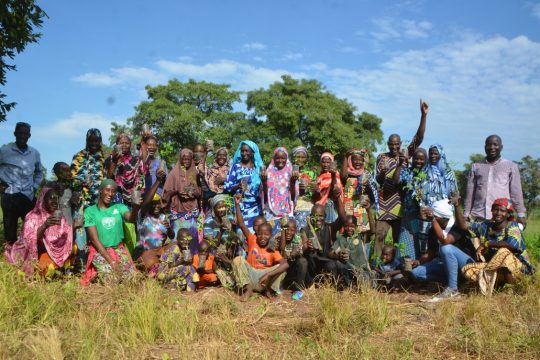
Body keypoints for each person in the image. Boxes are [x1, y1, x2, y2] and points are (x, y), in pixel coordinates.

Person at [374, 99, 428, 256]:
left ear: (400, 144)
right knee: (379, 237)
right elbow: (378, 180)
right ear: (388, 144)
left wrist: (423, 116)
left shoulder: (406, 154)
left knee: (400, 241)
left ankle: (397, 272)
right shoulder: (381, 157)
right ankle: (375, 270)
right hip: (384, 205)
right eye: (391, 144)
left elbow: (418, 138)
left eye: (396, 144)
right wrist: (383, 173)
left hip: (401, 205)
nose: (394, 147)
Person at [460, 198, 534, 295]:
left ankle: (511, 288)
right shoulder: (486, 225)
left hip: (518, 269)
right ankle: (496, 285)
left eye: (502, 210)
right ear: (491, 211)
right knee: (467, 270)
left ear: (508, 213)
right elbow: (463, 226)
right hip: (495, 268)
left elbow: (512, 245)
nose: (498, 213)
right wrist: (457, 206)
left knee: (503, 252)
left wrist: (486, 244)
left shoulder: (512, 226)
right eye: (495, 209)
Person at [80, 179, 140, 285]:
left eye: (113, 191)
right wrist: (111, 261)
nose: (110, 194)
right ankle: (97, 275)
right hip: (100, 251)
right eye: (107, 190)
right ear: (100, 190)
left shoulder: (119, 207)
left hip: (119, 250)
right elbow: (94, 240)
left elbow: (131, 219)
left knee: (132, 279)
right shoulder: (90, 211)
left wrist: (135, 207)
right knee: (112, 280)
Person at [5, 186, 74, 277]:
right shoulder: (33, 216)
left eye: (57, 199)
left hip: (49, 252)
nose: (54, 202)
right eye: (51, 198)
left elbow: (66, 237)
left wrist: (75, 226)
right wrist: (45, 226)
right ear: (43, 200)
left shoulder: (59, 216)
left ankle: (59, 268)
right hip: (30, 253)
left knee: (74, 248)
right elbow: (29, 241)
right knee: (43, 267)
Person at [233, 194, 289, 301]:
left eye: (266, 234)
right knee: (238, 260)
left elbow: (285, 264)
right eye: (260, 234)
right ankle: (248, 289)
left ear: (270, 235)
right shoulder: (252, 239)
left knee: (282, 269)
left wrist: (268, 274)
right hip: (251, 275)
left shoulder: (272, 248)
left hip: (264, 279)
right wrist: (237, 205)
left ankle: (268, 290)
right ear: (256, 234)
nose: (263, 237)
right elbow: (241, 224)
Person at [464, 135, 527, 227]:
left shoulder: (511, 166)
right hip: (478, 217)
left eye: (495, 144)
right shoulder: (476, 166)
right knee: (476, 241)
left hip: (501, 218)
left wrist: (521, 214)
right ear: (485, 147)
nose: (492, 147)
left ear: (501, 147)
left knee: (499, 241)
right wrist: (465, 214)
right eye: (489, 145)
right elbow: (470, 194)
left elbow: (516, 193)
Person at [421, 197, 475, 302]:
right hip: (447, 266)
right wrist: (418, 261)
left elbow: (445, 241)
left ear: (442, 217)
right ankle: (453, 281)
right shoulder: (433, 230)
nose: (433, 218)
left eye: (435, 216)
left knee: (446, 249)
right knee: (417, 272)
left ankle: (453, 289)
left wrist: (432, 219)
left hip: (467, 265)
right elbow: (430, 253)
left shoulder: (456, 226)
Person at [0, 122, 44, 245]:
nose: (23, 135)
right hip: (10, 195)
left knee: (32, 227)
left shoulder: (34, 153)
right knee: (10, 229)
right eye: (20, 132)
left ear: (29, 135)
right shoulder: (5, 150)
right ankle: (11, 258)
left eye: (25, 133)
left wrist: (35, 187)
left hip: (28, 195)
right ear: (15, 133)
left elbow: (39, 172)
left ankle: (28, 254)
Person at [302, 185, 346, 283]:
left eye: (321, 216)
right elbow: (303, 247)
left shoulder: (329, 228)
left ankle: (328, 287)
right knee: (307, 259)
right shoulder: (305, 230)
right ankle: (310, 285)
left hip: (326, 262)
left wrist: (337, 198)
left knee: (331, 265)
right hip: (312, 265)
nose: (318, 219)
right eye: (315, 216)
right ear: (310, 217)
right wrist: (307, 247)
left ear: (325, 216)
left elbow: (343, 219)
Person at [162, 148, 203, 253]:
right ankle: (175, 262)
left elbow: (200, 193)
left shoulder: (195, 174)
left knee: (192, 239)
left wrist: (192, 193)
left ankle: (192, 262)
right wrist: (177, 192)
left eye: (189, 159)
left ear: (192, 160)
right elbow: (166, 192)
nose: (186, 161)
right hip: (177, 213)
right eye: (184, 159)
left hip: (191, 214)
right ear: (180, 159)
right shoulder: (174, 173)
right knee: (177, 240)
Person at [393, 148, 430, 260]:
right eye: (416, 159)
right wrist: (400, 165)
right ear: (412, 159)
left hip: (424, 217)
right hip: (410, 216)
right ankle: (404, 267)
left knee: (420, 242)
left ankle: (418, 267)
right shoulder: (408, 172)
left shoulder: (429, 175)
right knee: (407, 240)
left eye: (421, 159)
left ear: (426, 160)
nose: (418, 161)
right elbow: (396, 181)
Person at [224, 140, 264, 232]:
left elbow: (263, 189)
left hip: (256, 209)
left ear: (253, 153)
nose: (244, 153)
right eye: (242, 151)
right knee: (241, 236)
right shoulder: (236, 167)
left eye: (247, 151)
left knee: (256, 235)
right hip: (240, 208)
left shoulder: (258, 168)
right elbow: (227, 186)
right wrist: (237, 186)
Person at [329, 213, 374, 288]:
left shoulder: (361, 236)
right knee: (338, 263)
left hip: (363, 270)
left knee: (365, 286)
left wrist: (369, 210)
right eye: (346, 226)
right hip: (350, 269)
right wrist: (338, 256)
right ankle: (349, 285)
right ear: (343, 226)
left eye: (352, 226)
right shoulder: (341, 238)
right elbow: (330, 253)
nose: (349, 229)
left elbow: (373, 231)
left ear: (356, 226)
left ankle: (358, 283)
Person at [340, 149, 378, 238]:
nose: (358, 162)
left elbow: (373, 197)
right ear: (350, 161)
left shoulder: (367, 174)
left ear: (363, 161)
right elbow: (343, 176)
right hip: (348, 209)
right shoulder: (347, 174)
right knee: (347, 233)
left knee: (362, 234)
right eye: (355, 160)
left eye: (360, 160)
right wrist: (345, 157)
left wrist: (368, 185)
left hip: (361, 209)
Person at [135, 170, 172, 257]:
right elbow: (146, 202)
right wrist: (158, 181)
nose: (156, 206)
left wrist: (169, 229)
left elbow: (171, 235)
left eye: (158, 203)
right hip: (143, 254)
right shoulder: (143, 216)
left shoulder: (163, 217)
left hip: (158, 253)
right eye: (153, 203)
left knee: (175, 245)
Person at [104, 133, 146, 206]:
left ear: (130, 144)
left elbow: (141, 179)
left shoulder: (136, 160)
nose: (124, 145)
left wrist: (139, 194)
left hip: (134, 199)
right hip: (116, 197)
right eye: (121, 143)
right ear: (117, 144)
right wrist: (114, 162)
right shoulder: (110, 159)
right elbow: (108, 178)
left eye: (127, 143)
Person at [262, 147, 297, 231]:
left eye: (283, 158)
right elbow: (265, 197)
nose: (280, 160)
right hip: (271, 211)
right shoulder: (268, 172)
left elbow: (293, 197)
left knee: (286, 234)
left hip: (286, 210)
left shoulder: (291, 173)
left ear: (286, 158)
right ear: (274, 159)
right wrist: (263, 182)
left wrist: (292, 182)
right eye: (277, 158)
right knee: (272, 235)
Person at [71, 128, 105, 207]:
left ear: (100, 141)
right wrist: (82, 182)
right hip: (82, 200)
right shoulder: (78, 157)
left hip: (99, 200)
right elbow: (72, 179)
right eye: (91, 141)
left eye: (96, 141)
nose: (94, 143)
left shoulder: (103, 157)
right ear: (87, 141)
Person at [276, 218, 308, 298]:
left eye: (292, 230)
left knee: (303, 261)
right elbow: (282, 251)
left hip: (292, 268)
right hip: (280, 268)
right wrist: (282, 233)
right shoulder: (278, 237)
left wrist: (295, 253)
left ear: (295, 230)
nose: (289, 232)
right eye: (286, 230)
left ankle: (299, 289)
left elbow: (299, 252)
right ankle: (278, 285)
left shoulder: (297, 238)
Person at [312, 152, 343, 223]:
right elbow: (318, 196)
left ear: (332, 163)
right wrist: (317, 192)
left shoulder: (336, 175)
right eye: (323, 162)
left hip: (332, 207)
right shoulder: (319, 177)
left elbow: (335, 191)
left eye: (328, 162)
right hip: (320, 208)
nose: (326, 165)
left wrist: (333, 175)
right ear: (320, 163)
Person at [291, 146, 316, 229]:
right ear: (294, 157)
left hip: (306, 207)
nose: (300, 159)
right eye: (298, 157)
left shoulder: (311, 173)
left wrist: (310, 188)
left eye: (303, 157)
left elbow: (314, 192)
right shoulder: (288, 171)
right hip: (290, 207)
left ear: (306, 158)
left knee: (305, 232)